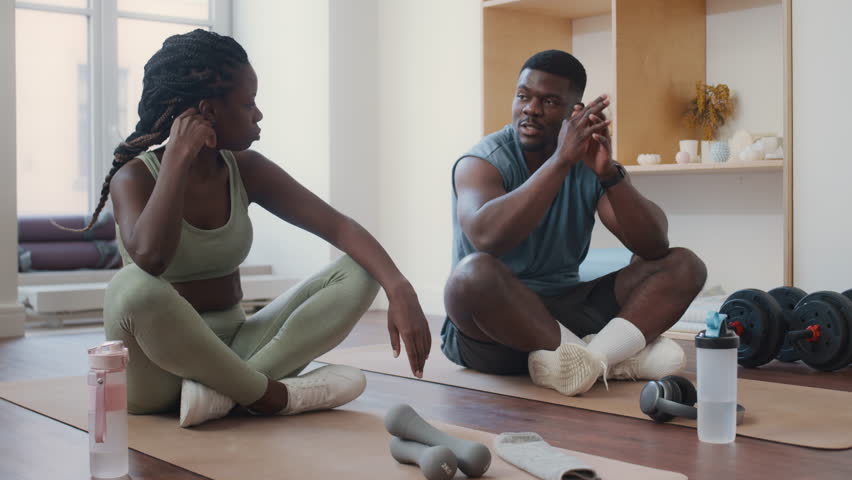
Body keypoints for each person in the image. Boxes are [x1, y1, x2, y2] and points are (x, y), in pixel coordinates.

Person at [75, 29, 431, 427]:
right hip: (156, 373)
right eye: (248, 103)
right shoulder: (135, 177)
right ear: (206, 112)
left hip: (240, 349)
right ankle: (267, 395)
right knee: (131, 287)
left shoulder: (247, 169)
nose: (258, 114)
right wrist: (177, 159)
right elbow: (151, 258)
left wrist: (400, 288)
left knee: (365, 269)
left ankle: (222, 394)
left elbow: (341, 227)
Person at [440, 50, 707, 396]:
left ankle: (588, 360)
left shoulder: (587, 163)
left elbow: (653, 245)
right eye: (523, 96)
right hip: (494, 333)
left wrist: (610, 174)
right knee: (470, 275)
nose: (531, 109)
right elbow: (487, 237)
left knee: (685, 265)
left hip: (564, 312)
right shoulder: (482, 162)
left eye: (549, 101)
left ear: (575, 113)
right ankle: (609, 357)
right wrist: (560, 162)